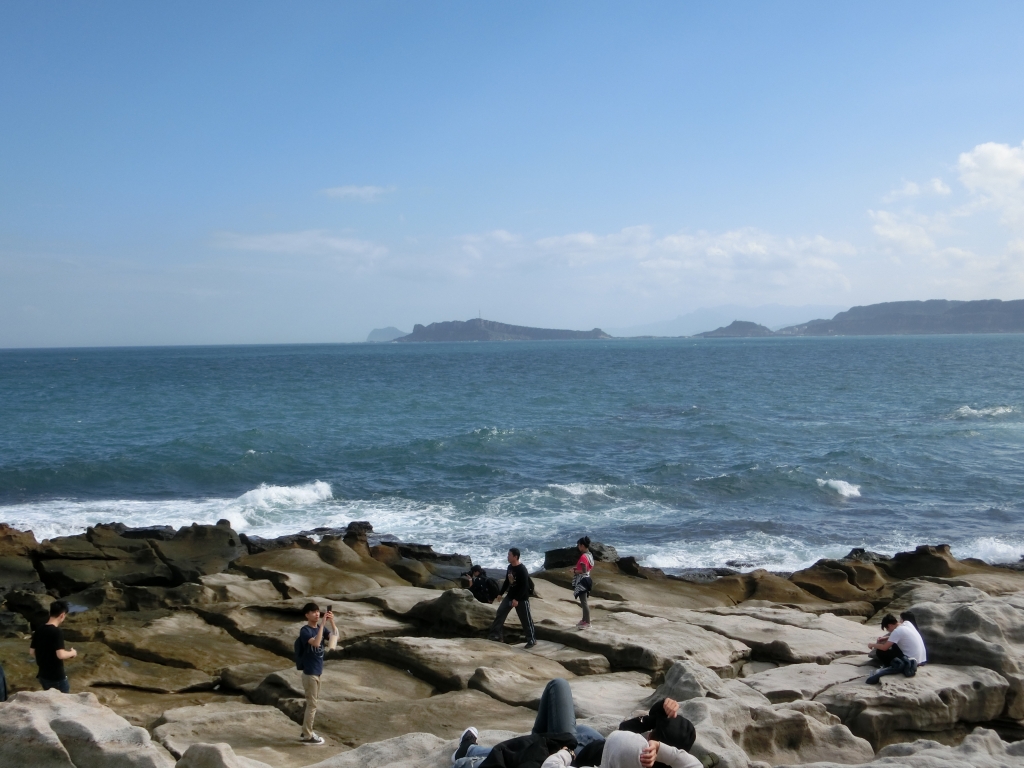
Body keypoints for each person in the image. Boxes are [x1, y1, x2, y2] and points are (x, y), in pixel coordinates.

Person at [452, 679, 717, 768]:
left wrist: (564, 755)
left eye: (654, 734)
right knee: (578, 730)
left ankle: (469, 754)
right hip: (593, 745)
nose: (649, 734)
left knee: (559, 686)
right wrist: (657, 712)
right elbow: (624, 729)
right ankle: (529, 746)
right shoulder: (648, 755)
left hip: (573, 754)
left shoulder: (637, 754)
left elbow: (623, 731)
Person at [297, 603, 337, 745]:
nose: (316, 614)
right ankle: (308, 736)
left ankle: (305, 731)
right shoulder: (305, 630)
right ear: (306, 615)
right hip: (310, 673)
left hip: (317, 672)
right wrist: (322, 625)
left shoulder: (321, 628)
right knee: (312, 705)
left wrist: (331, 622)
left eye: (317, 612)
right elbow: (316, 643)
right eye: (313, 612)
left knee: (312, 704)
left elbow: (334, 638)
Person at [488, 548, 536, 649]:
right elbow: (507, 581)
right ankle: (496, 635)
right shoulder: (510, 567)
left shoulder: (522, 569)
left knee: (525, 619)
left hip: (521, 598)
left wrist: (517, 599)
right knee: (500, 612)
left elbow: (524, 586)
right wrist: (500, 593)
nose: (507, 557)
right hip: (510, 596)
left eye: (509, 555)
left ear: (515, 557)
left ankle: (531, 639)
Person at [29, 600, 77, 693]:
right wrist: (72, 653)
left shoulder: (39, 629)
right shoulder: (57, 632)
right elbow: (61, 655)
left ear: (50, 612)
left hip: (43, 676)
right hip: (57, 677)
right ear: (62, 615)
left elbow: (32, 652)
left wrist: (45, 659)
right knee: (64, 703)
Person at [866, 612, 926, 684]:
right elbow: (903, 636)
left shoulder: (897, 631)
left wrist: (872, 645)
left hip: (911, 658)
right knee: (894, 644)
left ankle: (890, 665)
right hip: (921, 659)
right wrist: (886, 638)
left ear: (890, 625)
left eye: (887, 628)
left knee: (880, 651)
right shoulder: (907, 623)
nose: (888, 631)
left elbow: (884, 648)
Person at [572, 537, 595, 630]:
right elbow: (587, 569)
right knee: (583, 601)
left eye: (578, 545)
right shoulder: (590, 555)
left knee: (584, 602)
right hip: (587, 579)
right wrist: (576, 569)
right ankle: (584, 620)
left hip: (583, 580)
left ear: (582, 546)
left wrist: (574, 571)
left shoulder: (583, 556)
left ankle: (588, 622)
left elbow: (584, 571)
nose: (578, 547)